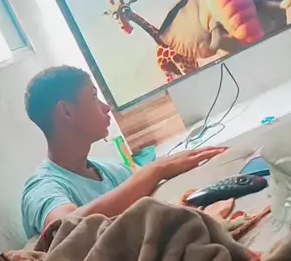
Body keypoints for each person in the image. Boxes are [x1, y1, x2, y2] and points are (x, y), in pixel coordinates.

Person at [21, 66, 226, 238]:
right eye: (94, 97)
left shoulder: (114, 171)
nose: (106, 108)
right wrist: (156, 170)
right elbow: (67, 228)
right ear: (66, 111)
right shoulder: (41, 189)